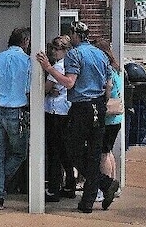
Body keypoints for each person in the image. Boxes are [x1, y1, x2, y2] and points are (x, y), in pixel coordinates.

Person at [35, 21, 118, 214]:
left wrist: (49, 68)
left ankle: (105, 184)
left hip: (81, 107)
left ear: (75, 34)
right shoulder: (100, 54)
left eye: (71, 33)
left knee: (72, 151)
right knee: (94, 152)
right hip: (99, 105)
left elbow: (69, 82)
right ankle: (89, 200)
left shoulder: (75, 54)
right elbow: (109, 86)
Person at [0, 26, 32, 210]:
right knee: (19, 153)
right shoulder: (27, 61)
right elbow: (28, 90)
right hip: (17, 111)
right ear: (25, 41)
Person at [43, 35, 75, 201]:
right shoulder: (72, 65)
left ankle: (54, 188)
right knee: (64, 151)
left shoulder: (57, 67)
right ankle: (70, 183)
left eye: (57, 49)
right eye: (53, 48)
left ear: (65, 50)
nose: (54, 52)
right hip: (66, 110)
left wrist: (48, 90)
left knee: (54, 151)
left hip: (54, 111)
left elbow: (46, 88)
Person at [93, 38, 123, 206]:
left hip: (108, 116)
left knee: (102, 154)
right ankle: (113, 183)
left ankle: (104, 190)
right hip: (116, 117)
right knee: (108, 151)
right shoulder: (116, 68)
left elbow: (108, 88)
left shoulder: (106, 69)